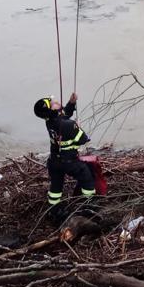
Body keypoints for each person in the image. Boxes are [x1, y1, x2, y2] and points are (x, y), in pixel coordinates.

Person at [34, 94, 93, 224]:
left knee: (56, 186)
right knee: (87, 176)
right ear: (52, 110)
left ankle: (54, 210)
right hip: (70, 162)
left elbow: (64, 115)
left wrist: (71, 103)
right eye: (52, 103)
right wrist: (77, 126)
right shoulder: (69, 125)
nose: (55, 101)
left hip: (54, 162)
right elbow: (84, 139)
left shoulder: (49, 120)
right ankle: (89, 207)